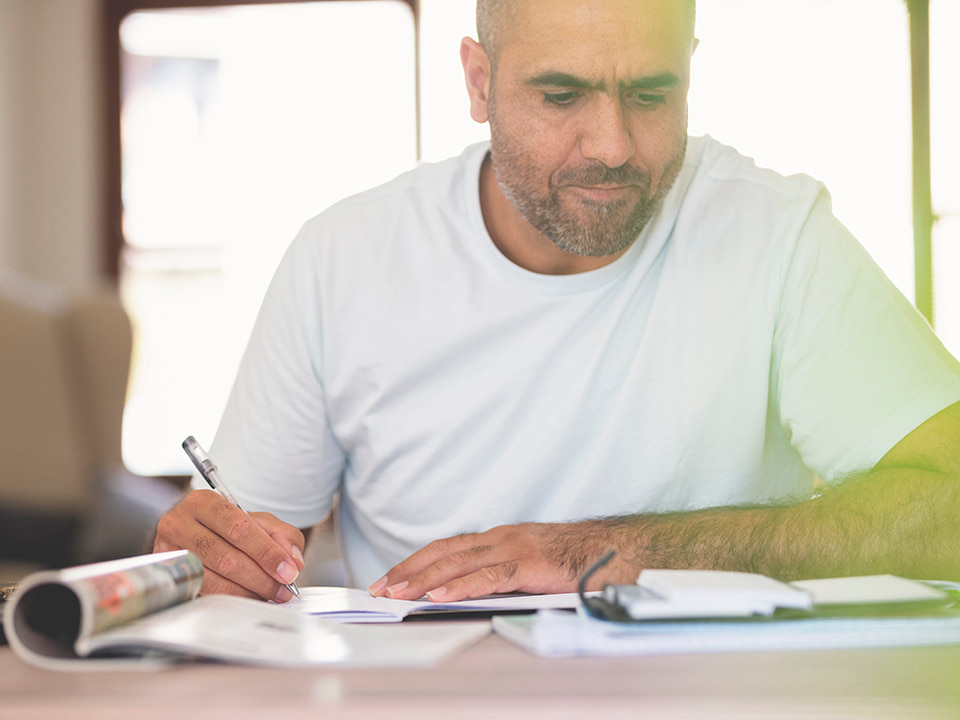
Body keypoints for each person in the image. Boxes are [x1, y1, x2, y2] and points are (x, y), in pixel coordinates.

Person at [154, 0, 960, 605]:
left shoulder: (777, 234)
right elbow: (242, 565)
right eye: (561, 95)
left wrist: (600, 553)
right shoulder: (341, 257)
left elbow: (949, 506)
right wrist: (214, 554)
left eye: (650, 93)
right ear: (480, 82)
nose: (611, 144)